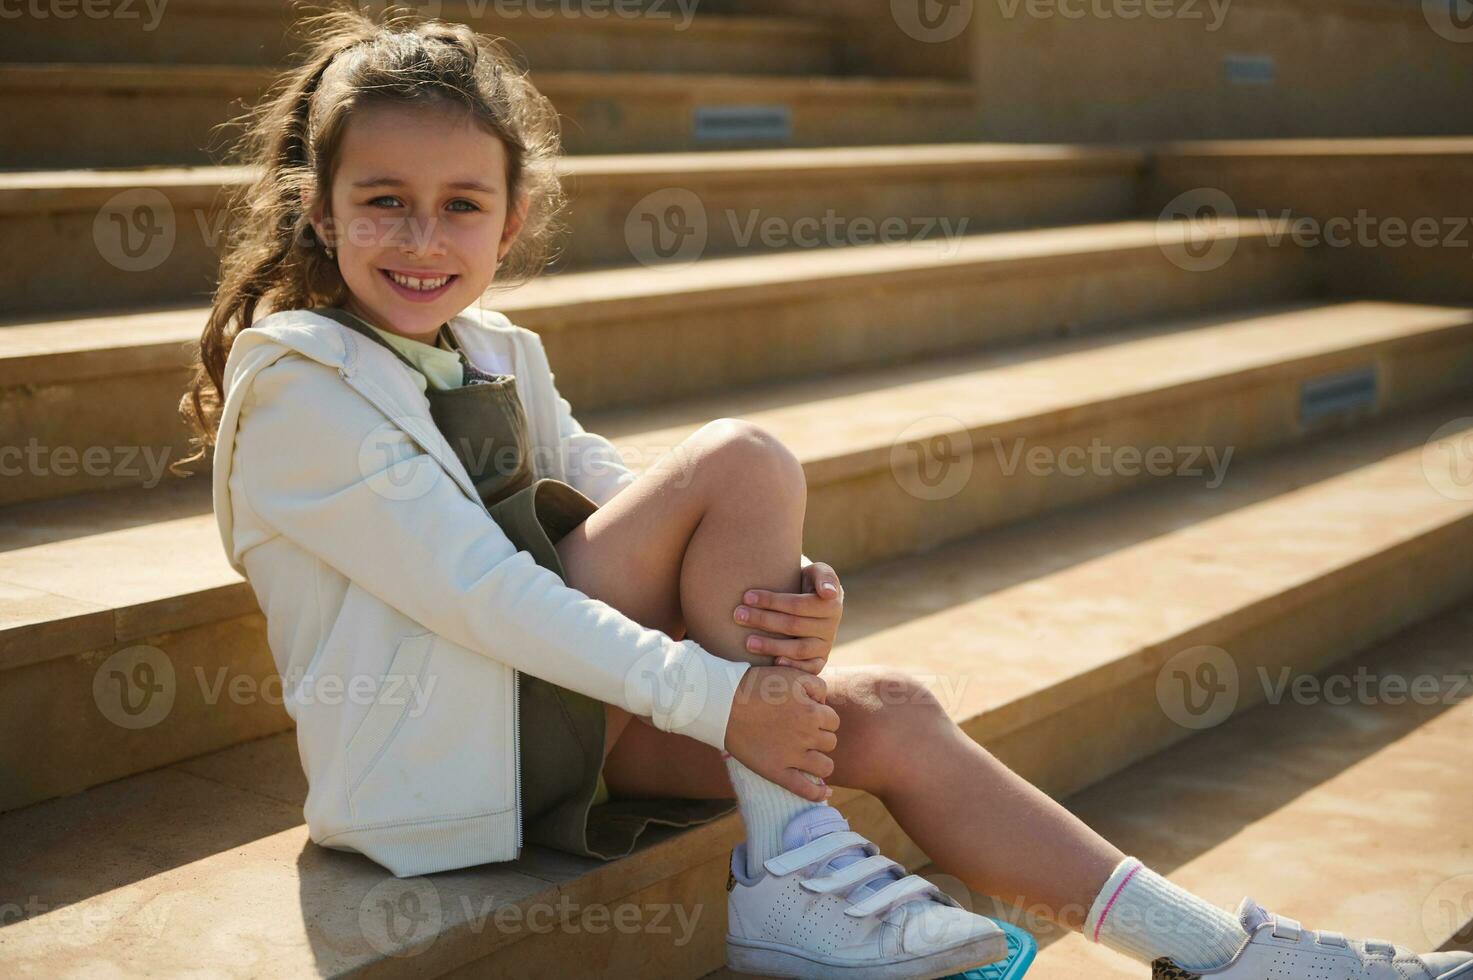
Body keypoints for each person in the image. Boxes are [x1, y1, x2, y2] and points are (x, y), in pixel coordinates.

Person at [176, 7, 1473, 979]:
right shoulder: (296, 384)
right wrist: (724, 692)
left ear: (511, 221)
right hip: (437, 754)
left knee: (894, 708)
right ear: (317, 205)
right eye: (383, 203)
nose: (421, 238)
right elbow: (480, 599)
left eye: (460, 205)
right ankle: (790, 866)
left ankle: (1233, 957)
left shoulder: (495, 349)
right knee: (740, 457)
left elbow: (610, 489)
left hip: (536, 716)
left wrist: (779, 608)